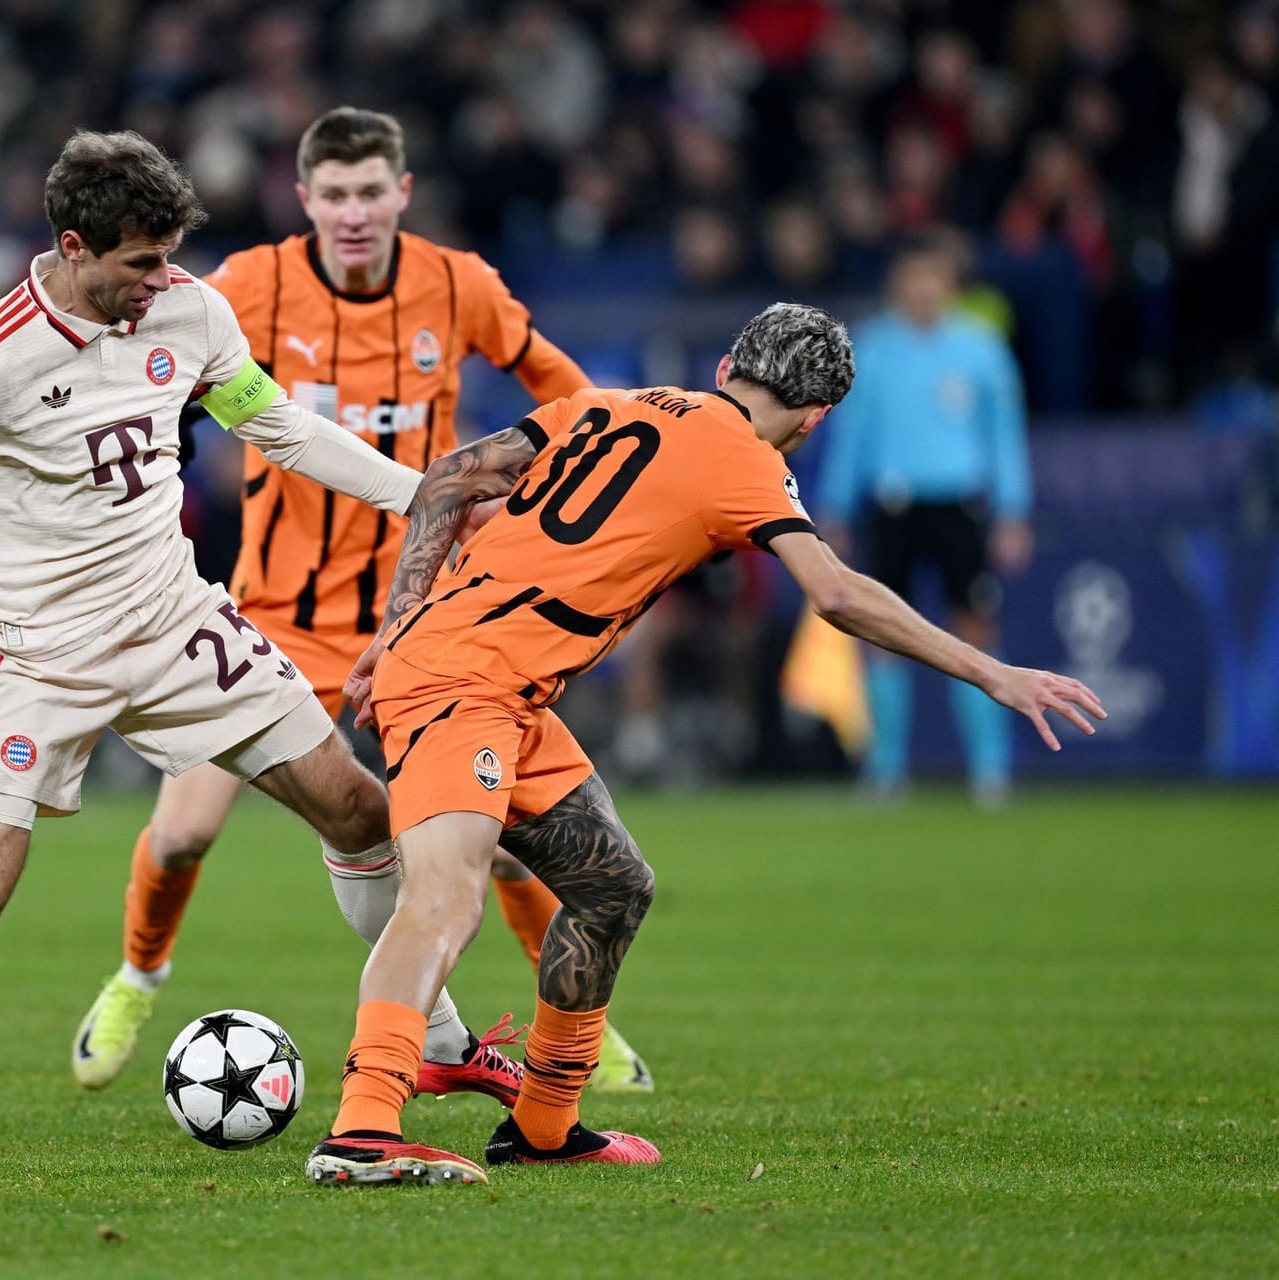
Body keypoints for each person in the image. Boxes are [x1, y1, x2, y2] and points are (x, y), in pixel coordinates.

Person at [0, 129, 496, 1180]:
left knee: (357, 808)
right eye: (141, 262)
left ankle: (439, 1047)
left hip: (177, 625)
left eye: (170, 256)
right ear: (76, 246)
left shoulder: (191, 308)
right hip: (39, 661)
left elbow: (279, 427)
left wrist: (424, 494)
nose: (161, 281)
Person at [304, 303, 1105, 1185]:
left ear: (726, 364)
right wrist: (994, 672)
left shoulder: (610, 404)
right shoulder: (747, 463)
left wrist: (402, 620)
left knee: (612, 889)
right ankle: (364, 1126)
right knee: (446, 900)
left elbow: (453, 475)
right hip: (466, 686)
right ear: (816, 419)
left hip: (491, 684)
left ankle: (543, 1126)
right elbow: (834, 594)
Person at [72, 106, 653, 1100]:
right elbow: (141, 340)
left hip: (426, 614)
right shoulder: (251, 284)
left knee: (506, 835)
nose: (352, 212)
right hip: (276, 618)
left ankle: (579, 1025)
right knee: (181, 833)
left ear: (402, 193)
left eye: (369, 192)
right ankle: (138, 974)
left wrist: (581, 464)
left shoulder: (456, 282)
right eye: (332, 195)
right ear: (304, 199)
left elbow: (560, 385)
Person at [813, 233, 1033, 807]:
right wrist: (834, 509)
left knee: (975, 627)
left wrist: (1013, 511)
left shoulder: (981, 347)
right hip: (893, 505)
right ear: (896, 283)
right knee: (882, 634)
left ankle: (991, 770)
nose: (923, 288)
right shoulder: (873, 349)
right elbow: (850, 436)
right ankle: (886, 769)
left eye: (933, 275)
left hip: (959, 503)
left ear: (950, 281)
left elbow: (1004, 436)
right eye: (913, 276)